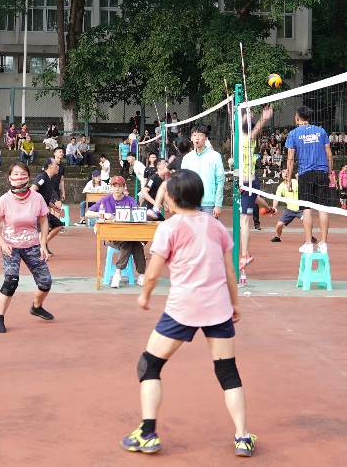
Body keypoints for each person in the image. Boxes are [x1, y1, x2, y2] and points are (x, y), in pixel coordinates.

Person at [123, 170, 253, 457]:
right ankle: (243, 437)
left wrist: (145, 296)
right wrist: (234, 304)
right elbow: (230, 271)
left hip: (183, 309)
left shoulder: (168, 228)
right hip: (218, 307)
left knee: (149, 365)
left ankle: (147, 433)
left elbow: (152, 273)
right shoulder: (216, 226)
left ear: (172, 198)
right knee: (228, 372)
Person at [0, 162, 54, 333]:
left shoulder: (36, 198)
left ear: (28, 176)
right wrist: (2, 243)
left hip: (32, 245)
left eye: (23, 173)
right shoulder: (4, 200)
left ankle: (36, 307)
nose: (19, 177)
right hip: (11, 246)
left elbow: (44, 221)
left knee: (45, 282)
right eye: (15, 174)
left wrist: (43, 245)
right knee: (11, 281)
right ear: (10, 177)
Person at [285, 106, 333, 253]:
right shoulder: (321, 131)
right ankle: (323, 243)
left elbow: (290, 158)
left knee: (306, 209)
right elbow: (329, 154)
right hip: (322, 172)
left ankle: (308, 243)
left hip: (305, 174)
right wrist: (330, 173)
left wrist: (288, 179)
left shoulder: (293, 134)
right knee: (322, 208)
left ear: (297, 118)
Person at [87, 176, 144, 288]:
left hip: (127, 234)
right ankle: (132, 274)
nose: (117, 189)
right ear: (111, 187)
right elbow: (88, 213)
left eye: (120, 186)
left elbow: (138, 213)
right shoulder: (105, 200)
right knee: (131, 242)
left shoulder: (130, 200)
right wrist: (103, 214)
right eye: (114, 186)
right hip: (111, 237)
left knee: (134, 242)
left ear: (124, 187)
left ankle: (122, 274)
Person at [233, 107, 272, 270]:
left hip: (249, 183)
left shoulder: (248, 139)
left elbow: (255, 130)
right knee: (255, 199)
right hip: (244, 183)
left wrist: (263, 118)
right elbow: (238, 122)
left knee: (244, 220)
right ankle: (269, 209)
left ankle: (245, 255)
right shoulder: (237, 138)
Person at [32, 158, 66, 254]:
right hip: (38, 211)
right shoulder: (42, 177)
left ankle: (44, 244)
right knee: (44, 229)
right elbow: (32, 190)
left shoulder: (49, 179)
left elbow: (44, 197)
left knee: (58, 225)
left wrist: (53, 206)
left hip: (44, 210)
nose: (58, 167)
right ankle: (39, 251)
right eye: (56, 165)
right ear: (50, 166)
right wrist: (38, 206)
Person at [269, 168, 300, 242]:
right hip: (289, 209)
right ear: (281, 174)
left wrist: (299, 179)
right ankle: (277, 237)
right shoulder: (281, 187)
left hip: (300, 208)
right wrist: (273, 208)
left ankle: (310, 237)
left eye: (287, 172)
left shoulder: (296, 182)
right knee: (279, 225)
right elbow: (276, 199)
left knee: (307, 222)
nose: (285, 173)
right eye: (283, 172)